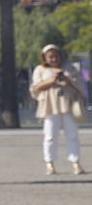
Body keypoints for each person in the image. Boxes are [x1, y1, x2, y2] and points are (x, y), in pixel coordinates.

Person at [30, 44, 85, 175]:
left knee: (72, 135)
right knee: (50, 136)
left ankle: (75, 162)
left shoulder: (69, 68)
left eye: (56, 56)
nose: (54, 59)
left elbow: (79, 85)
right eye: (51, 57)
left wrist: (67, 79)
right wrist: (51, 80)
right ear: (44, 57)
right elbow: (36, 88)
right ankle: (49, 163)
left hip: (68, 105)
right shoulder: (40, 69)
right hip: (50, 106)